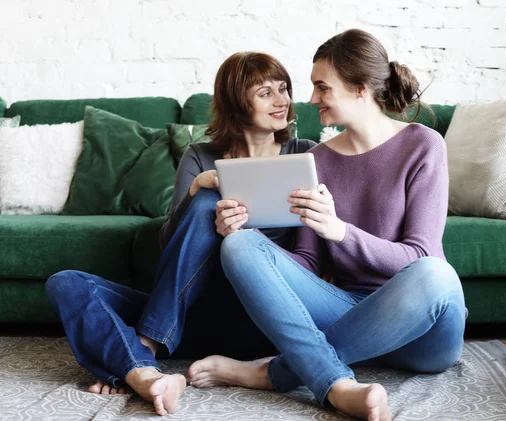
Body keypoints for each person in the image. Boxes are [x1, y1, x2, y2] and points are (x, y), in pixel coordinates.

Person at [185, 29, 466, 421]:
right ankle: (331, 379)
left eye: (322, 88)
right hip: (345, 313)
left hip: (420, 332)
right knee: (241, 246)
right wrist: (250, 242)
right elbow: (308, 263)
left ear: (359, 88)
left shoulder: (424, 145)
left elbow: (420, 255)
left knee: (436, 274)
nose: (312, 98)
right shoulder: (319, 159)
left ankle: (276, 372)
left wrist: (340, 231)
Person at [45, 52, 316, 416]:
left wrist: (242, 237)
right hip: (186, 313)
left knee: (209, 200)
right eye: (266, 93)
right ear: (236, 101)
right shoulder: (201, 156)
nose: (282, 100)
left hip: (255, 319)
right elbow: (167, 244)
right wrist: (194, 192)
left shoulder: (304, 155)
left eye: (284, 89)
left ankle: (139, 354)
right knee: (66, 283)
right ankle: (146, 372)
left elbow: (314, 256)